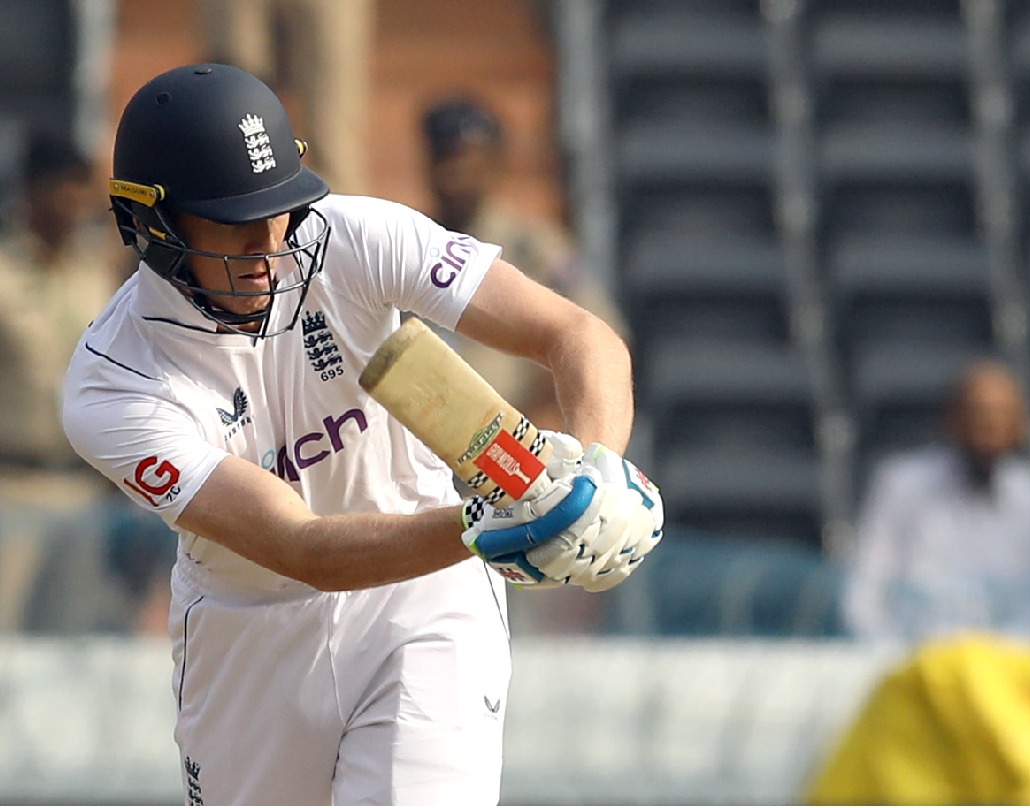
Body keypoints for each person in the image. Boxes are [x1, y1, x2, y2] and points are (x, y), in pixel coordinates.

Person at [61, 64, 663, 805]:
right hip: (247, 632)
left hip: (425, 600)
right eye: (235, 221)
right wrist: (491, 525)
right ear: (151, 223)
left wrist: (595, 472)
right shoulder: (112, 382)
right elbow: (301, 548)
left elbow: (574, 332)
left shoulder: (353, 233)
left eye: (278, 211)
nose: (270, 246)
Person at [420, 97, 626, 432]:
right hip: (421, 445)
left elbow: (599, 333)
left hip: (513, 443)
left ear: (495, 162)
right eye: (444, 157)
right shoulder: (413, 243)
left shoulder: (534, 247)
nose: (453, 174)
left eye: (466, 159)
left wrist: (525, 418)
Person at [0, 132, 130, 633]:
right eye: (62, 188)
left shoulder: (96, 277)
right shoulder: (6, 277)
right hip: (14, 486)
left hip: (86, 497)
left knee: (72, 647)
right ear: (30, 192)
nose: (75, 202)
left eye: (82, 189)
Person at [842, 359, 1030, 642]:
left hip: (1001, 669)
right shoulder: (901, 485)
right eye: (978, 414)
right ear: (952, 418)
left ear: (1020, 426)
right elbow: (865, 593)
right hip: (909, 658)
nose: (989, 428)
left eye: (1002, 416)